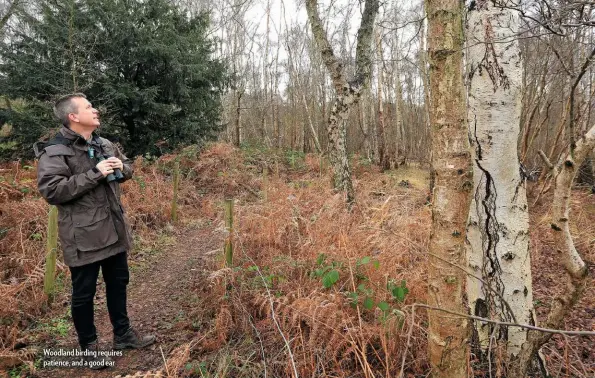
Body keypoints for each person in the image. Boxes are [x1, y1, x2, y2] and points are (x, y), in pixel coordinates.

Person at [35, 93, 155, 370]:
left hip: (114, 228)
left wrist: (120, 167)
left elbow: (128, 169)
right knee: (84, 293)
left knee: (118, 283)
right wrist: (95, 173)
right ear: (73, 117)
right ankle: (88, 349)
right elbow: (52, 191)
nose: (96, 110)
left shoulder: (104, 143)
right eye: (89, 107)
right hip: (83, 235)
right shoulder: (54, 151)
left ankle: (123, 335)